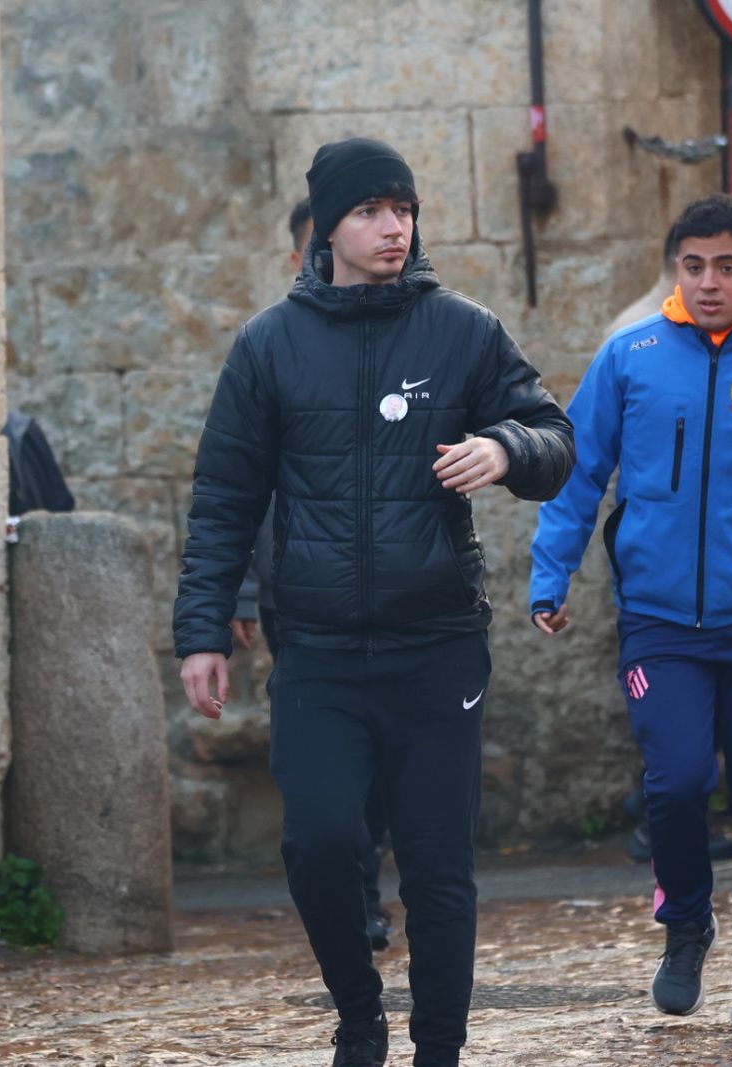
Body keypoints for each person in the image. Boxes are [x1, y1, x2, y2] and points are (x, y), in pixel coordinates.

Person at [175, 138, 574, 1067]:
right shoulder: (269, 344)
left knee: (438, 868)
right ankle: (359, 1016)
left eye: (403, 208)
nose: (393, 226)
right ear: (327, 227)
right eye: (369, 210)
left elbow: (555, 437)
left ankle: (439, 1050)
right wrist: (202, 631)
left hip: (436, 645)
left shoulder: (464, 330)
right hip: (317, 652)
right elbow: (224, 497)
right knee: (318, 843)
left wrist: (505, 449)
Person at [529, 195, 732, 1032]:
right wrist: (550, 574)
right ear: (674, 268)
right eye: (693, 265)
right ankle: (685, 924)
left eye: (726, 266)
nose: (709, 282)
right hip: (660, 621)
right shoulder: (630, 356)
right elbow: (579, 470)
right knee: (678, 780)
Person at [233, 198, 396, 952]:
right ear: (302, 255)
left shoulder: (412, 338)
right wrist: (237, 590)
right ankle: (354, 893)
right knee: (326, 752)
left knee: (385, 754)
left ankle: (369, 870)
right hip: (295, 592)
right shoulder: (269, 347)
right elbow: (235, 486)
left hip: (394, 599)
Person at [607, 223, 732, 868]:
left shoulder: (636, 328)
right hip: (666, 557)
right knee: (679, 701)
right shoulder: (639, 336)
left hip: (674, 553)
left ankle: (656, 806)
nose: (711, 281)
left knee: (682, 701)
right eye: (700, 264)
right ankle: (658, 816)